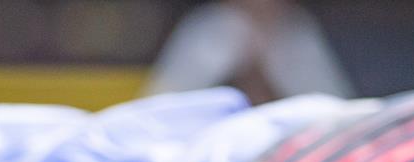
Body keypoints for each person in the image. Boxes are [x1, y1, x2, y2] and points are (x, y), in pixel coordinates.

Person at [146, 0, 351, 103]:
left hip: (282, 151)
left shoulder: (297, 28)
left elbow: (331, 106)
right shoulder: (211, 27)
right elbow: (162, 104)